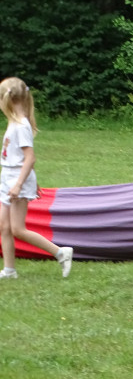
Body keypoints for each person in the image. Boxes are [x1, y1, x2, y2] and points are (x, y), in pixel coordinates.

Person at [0, 77, 73, 279]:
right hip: (8, 178)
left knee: (18, 229)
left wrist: (20, 184)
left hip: (16, 181)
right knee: (3, 226)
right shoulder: (14, 122)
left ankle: (60, 252)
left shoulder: (21, 125)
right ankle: (9, 270)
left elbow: (30, 158)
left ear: (5, 100)